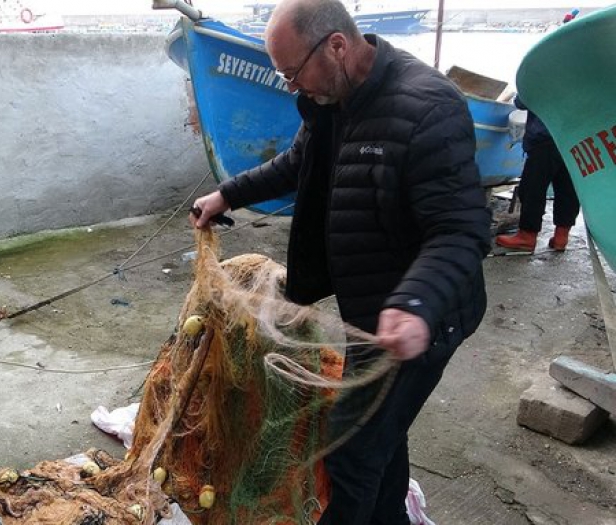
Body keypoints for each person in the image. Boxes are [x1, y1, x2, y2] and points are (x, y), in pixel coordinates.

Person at [191, 0, 491, 523]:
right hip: (367, 312)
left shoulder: (428, 107)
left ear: (336, 45)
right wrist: (227, 195)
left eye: (292, 72)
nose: (290, 87)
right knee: (381, 438)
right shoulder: (332, 99)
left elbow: (461, 230)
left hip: (427, 316)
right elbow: (297, 163)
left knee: (350, 451)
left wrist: (414, 305)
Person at [495, 14, 580, 253]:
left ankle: (527, 235)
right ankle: (561, 236)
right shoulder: (579, 69)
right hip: (570, 137)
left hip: (545, 136)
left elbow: (523, 101)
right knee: (567, 186)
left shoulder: (547, 69)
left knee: (533, 186)